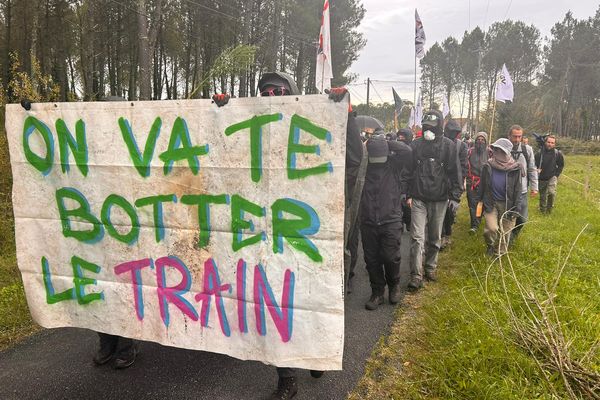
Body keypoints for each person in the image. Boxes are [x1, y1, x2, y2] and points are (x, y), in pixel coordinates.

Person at [213, 71, 363, 400]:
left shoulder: (312, 128)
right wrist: (219, 113)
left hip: (310, 241)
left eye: (277, 91)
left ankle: (318, 351)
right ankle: (287, 377)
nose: (270, 97)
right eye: (263, 93)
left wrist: (346, 115)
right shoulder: (251, 134)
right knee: (278, 306)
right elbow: (216, 158)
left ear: (292, 94)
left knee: (311, 301)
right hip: (265, 241)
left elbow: (353, 158)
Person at [405, 110, 462, 291]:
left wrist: (455, 196)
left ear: (439, 127)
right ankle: (416, 274)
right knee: (416, 237)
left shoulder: (448, 146)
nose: (428, 129)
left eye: (432, 126)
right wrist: (406, 194)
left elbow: (454, 171)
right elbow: (407, 171)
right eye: (426, 126)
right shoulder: (415, 145)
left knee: (435, 236)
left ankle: (430, 268)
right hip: (419, 197)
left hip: (439, 198)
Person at [360, 134, 412, 310]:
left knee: (391, 257)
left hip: (390, 219)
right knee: (372, 259)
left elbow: (407, 151)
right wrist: (367, 145)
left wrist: (385, 142)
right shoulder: (364, 166)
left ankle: (394, 285)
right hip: (368, 220)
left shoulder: (394, 164)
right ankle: (377, 293)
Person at [481, 138, 522, 256]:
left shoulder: (515, 168)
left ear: (507, 152)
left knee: (505, 232)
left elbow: (518, 189)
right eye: (496, 149)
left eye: (501, 150)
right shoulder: (487, 165)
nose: (498, 152)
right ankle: (490, 245)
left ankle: (499, 254)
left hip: (508, 204)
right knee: (491, 229)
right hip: (491, 202)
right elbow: (483, 185)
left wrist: (516, 208)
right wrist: (479, 201)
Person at [440, 119, 467, 250]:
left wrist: (459, 188)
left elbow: (463, 167)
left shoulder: (461, 146)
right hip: (439, 182)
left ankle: (447, 234)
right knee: (439, 212)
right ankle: (440, 236)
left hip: (453, 183)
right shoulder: (440, 142)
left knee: (450, 212)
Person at [508, 125, 538, 240]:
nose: (516, 139)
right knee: (508, 216)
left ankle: (513, 235)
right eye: (514, 136)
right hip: (507, 190)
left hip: (523, 190)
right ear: (509, 136)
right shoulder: (504, 149)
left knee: (522, 218)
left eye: (519, 136)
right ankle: (507, 239)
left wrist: (534, 187)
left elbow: (531, 168)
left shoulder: (527, 150)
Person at [466, 132, 489, 233]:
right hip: (471, 182)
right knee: (472, 204)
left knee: (480, 204)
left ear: (486, 141)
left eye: (483, 140)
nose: (480, 141)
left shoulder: (490, 153)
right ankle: (474, 225)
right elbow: (465, 166)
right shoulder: (469, 152)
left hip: (484, 182)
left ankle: (477, 222)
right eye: (478, 139)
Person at [535, 135, 564, 214]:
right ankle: (542, 210)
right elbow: (534, 164)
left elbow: (561, 165)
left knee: (551, 192)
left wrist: (556, 175)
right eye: (548, 142)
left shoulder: (557, 154)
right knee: (543, 195)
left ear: (554, 144)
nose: (550, 144)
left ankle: (549, 210)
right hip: (541, 177)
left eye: (552, 143)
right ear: (545, 142)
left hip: (552, 176)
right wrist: (536, 170)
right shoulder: (539, 153)